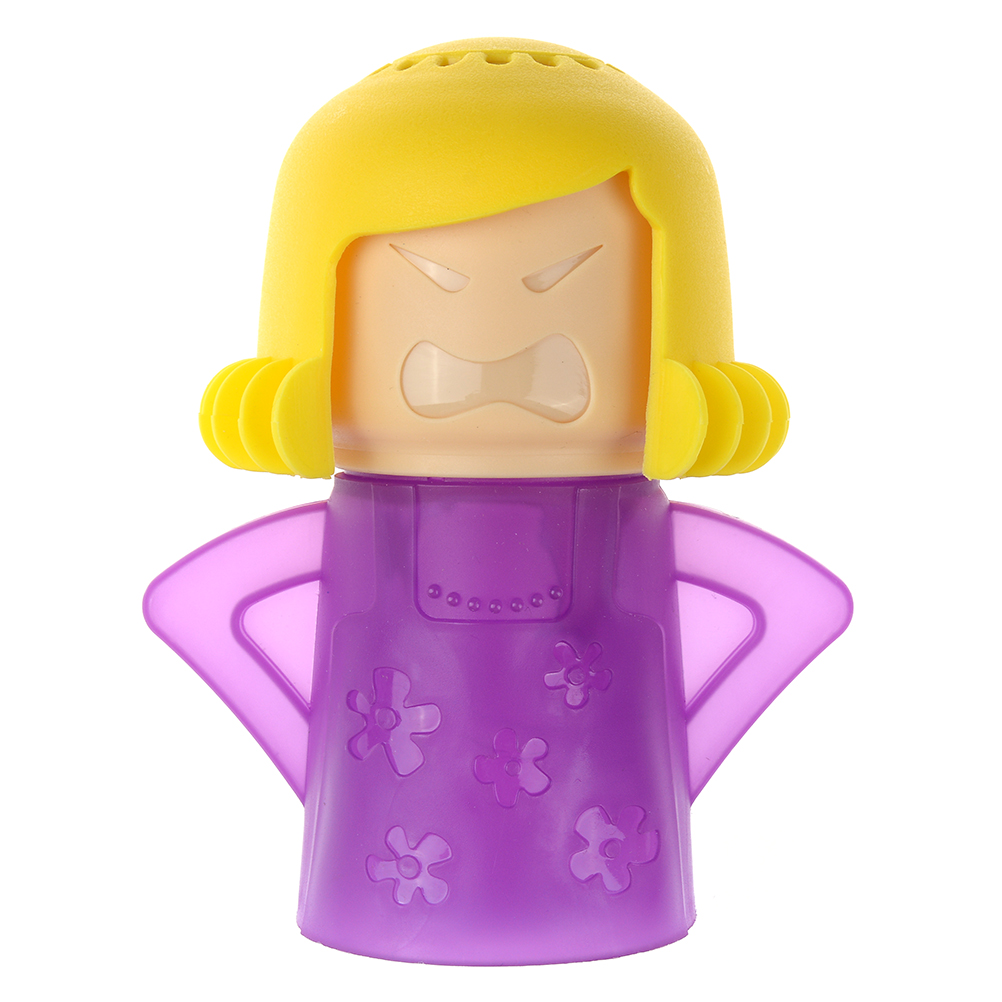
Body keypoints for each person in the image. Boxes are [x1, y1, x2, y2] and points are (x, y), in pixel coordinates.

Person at [145, 38, 851, 964]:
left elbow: (208, 606)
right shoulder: (366, 511)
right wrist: (679, 743)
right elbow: (788, 607)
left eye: (563, 278)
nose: (489, 343)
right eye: (430, 281)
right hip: (512, 880)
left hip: (557, 880)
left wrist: (313, 742)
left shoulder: (628, 511)